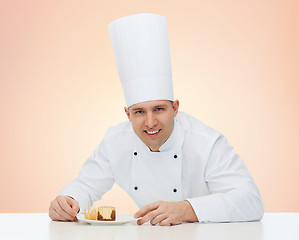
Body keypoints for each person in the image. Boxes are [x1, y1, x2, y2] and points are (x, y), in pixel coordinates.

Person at [49, 13, 264, 226]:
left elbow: (251, 201)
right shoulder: (116, 140)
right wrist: (68, 200)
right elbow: (86, 184)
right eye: (139, 112)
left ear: (175, 108)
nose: (150, 122)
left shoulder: (206, 143)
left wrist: (187, 209)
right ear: (127, 114)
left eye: (159, 109)